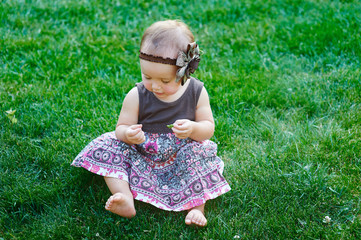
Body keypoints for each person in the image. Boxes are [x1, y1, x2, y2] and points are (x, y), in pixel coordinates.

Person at [72, 20, 231, 227]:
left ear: (185, 71)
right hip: (143, 154)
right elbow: (120, 129)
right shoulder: (136, 95)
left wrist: (193, 129)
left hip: (180, 154)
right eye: (147, 76)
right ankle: (124, 196)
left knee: (197, 156)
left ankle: (196, 207)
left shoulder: (196, 92)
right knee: (108, 144)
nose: (155, 86)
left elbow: (208, 129)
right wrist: (128, 134)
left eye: (165, 81)